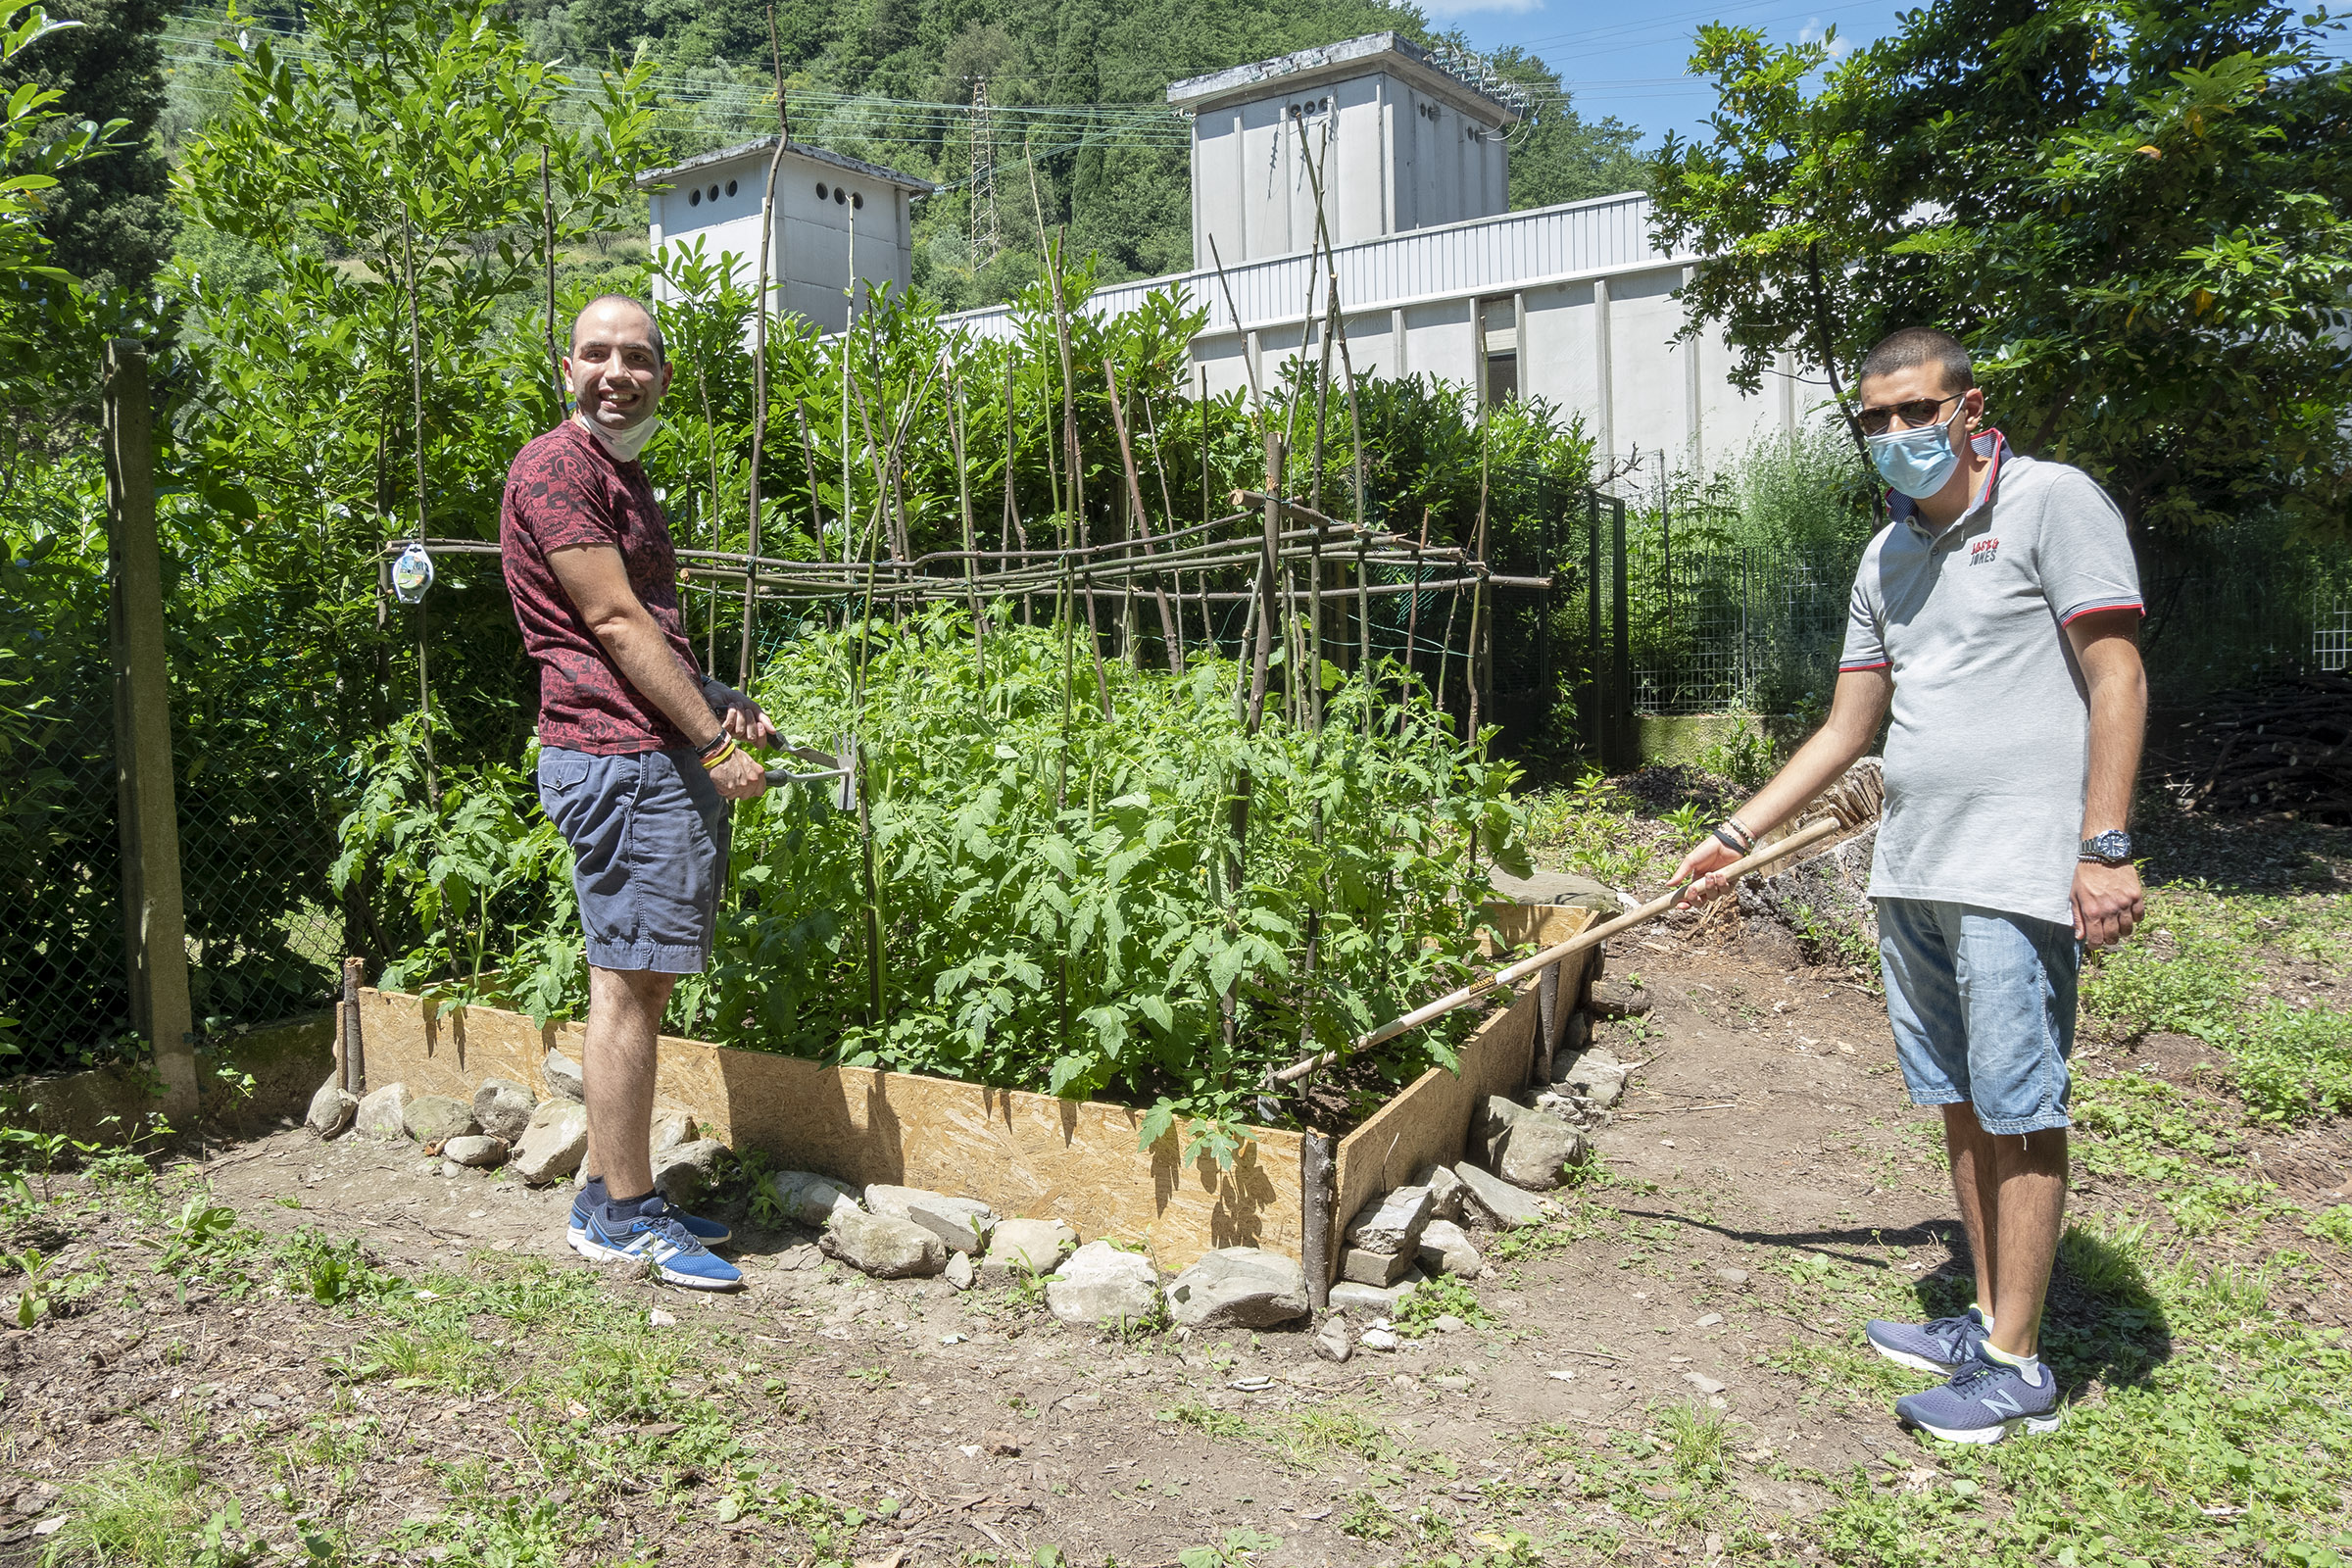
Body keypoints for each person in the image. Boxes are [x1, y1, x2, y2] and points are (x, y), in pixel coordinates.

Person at [1671, 326, 2146, 1445]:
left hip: (2018, 870)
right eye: (1874, 420)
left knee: (2022, 1109)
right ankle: (1984, 1318)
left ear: (1969, 408)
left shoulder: (2052, 503)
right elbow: (1849, 728)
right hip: (1915, 869)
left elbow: (2116, 671)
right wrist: (1735, 833)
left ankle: (2019, 1369)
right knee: (1960, 1096)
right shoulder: (1883, 559)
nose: (1896, 434)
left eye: (1915, 412)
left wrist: (2106, 845)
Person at [499, 294, 773, 1290]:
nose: (619, 371)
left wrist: (714, 697)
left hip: (645, 747)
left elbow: (641, 633)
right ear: (563, 362)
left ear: (663, 373)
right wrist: (710, 743)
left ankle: (610, 1192)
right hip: (621, 760)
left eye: (639, 357)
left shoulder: (615, 470)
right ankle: (621, 1215)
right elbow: (612, 623)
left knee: (637, 979)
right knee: (628, 985)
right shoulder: (559, 468)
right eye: (598, 353)